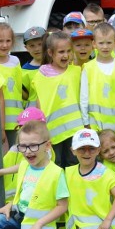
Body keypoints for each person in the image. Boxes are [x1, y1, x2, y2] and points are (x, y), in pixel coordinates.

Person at [64, 129, 115, 229]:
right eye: (82, 149)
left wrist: (108, 220)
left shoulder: (105, 173)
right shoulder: (68, 173)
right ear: (73, 151)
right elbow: (66, 202)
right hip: (80, 226)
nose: (87, 153)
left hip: (102, 223)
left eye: (91, 148)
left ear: (98, 150)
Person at [29, 30, 83, 167]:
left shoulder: (76, 71)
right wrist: (41, 126)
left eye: (68, 51)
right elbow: (39, 102)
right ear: (50, 53)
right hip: (52, 129)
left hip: (74, 128)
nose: (66, 55)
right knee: (55, 162)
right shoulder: (41, 74)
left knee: (74, 161)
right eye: (61, 52)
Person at [80, 22, 115, 136]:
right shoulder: (88, 68)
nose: (105, 47)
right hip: (94, 125)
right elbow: (84, 97)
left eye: (109, 43)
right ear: (94, 44)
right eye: (101, 43)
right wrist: (85, 122)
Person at [0, 22, 23, 144]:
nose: (5, 45)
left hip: (16, 121)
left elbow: (18, 89)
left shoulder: (15, 61)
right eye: (0, 41)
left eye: (8, 40)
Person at [21, 26, 46, 99]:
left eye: (40, 44)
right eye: (32, 46)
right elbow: (25, 96)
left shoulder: (56, 65)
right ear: (26, 48)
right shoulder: (24, 70)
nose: (37, 49)